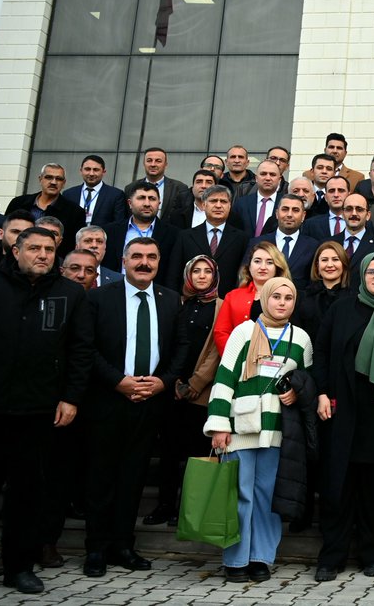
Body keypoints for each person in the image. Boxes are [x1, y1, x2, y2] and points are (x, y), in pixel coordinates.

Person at [0, 227, 93, 595]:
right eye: (34, 248)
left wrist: (71, 397)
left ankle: (18, 567)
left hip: (39, 412)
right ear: (15, 249)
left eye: (49, 249)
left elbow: (80, 350)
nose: (42, 254)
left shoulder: (70, 293)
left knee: (28, 496)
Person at [82, 238, 185, 578]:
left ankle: (123, 544)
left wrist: (163, 381)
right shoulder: (99, 298)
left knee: (133, 478)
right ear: (123, 261)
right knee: (101, 477)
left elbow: (181, 348)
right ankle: (96, 548)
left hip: (150, 403)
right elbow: (87, 348)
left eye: (151, 257)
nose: (144, 263)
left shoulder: (170, 299)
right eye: (137, 256)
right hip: (109, 400)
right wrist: (118, 381)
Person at [206, 277, 313, 583]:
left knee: (268, 498)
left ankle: (260, 558)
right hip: (240, 428)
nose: (282, 302)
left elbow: (305, 380)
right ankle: (235, 558)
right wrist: (218, 425)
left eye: (288, 297)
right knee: (240, 495)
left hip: (278, 431)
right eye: (276, 296)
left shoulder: (301, 338)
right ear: (264, 298)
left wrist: (297, 391)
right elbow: (224, 379)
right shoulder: (244, 332)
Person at [311, 254, 374, 580]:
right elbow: (321, 351)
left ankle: (371, 553)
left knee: (373, 486)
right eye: (372, 271)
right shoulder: (342, 309)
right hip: (343, 409)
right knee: (338, 484)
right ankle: (331, 556)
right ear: (362, 275)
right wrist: (322, 392)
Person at [144, 256, 222, 527]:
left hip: (200, 393)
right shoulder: (176, 303)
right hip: (170, 389)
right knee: (168, 451)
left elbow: (216, 351)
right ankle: (165, 505)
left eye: (207, 271)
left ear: (215, 276)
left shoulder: (221, 307)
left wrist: (194, 384)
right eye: (196, 270)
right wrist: (172, 381)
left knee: (195, 453)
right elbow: (167, 343)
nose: (202, 276)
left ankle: (188, 510)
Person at [169, 185, 248, 296]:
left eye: (223, 201)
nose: (218, 205)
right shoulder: (185, 236)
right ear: (204, 205)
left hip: (226, 303)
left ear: (230, 206)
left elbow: (243, 276)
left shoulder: (242, 238)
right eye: (213, 201)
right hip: (190, 302)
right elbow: (174, 273)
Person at [213, 242, 291, 352]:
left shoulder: (288, 296)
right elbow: (221, 332)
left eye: (269, 262)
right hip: (237, 360)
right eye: (257, 261)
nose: (262, 267)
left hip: (275, 359)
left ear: (277, 267)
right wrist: (237, 357)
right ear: (249, 266)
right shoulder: (233, 296)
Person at [5, 163, 85, 257]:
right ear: (40, 179)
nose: (53, 182)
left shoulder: (75, 212)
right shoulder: (18, 203)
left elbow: (72, 246)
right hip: (14, 259)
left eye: (59, 179)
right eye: (49, 177)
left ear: (64, 183)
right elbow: (6, 232)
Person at [293, 241, 351, 340]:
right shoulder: (303, 297)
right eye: (324, 260)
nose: (329, 265)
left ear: (344, 264)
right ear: (317, 266)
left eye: (335, 259)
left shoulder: (353, 298)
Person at [62, 155, 126, 228]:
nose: (91, 173)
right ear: (81, 171)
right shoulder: (69, 194)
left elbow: (119, 224)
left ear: (103, 172)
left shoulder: (116, 195)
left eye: (96, 170)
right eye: (87, 169)